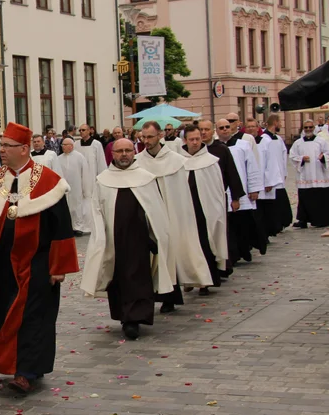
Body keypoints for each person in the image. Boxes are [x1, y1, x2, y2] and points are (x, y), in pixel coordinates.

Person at [0, 123, 79, 393]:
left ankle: (26, 371)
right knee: (1, 312)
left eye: (7, 146)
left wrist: (59, 266)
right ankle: (4, 360)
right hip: (1, 263)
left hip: (37, 261)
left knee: (33, 318)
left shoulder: (49, 181)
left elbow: (61, 226)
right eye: (1, 145)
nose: (1, 150)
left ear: (24, 149)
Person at [82, 138, 172, 340]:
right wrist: (100, 238)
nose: (124, 154)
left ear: (134, 152)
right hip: (113, 238)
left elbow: (156, 210)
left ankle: (136, 319)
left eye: (128, 150)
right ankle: (125, 317)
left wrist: (157, 236)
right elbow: (96, 210)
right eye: (120, 151)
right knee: (119, 278)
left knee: (138, 277)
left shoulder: (147, 178)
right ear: (112, 154)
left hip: (140, 239)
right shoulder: (103, 179)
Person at [135, 122, 213, 313]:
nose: (146, 141)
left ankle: (170, 297)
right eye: (143, 137)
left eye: (150, 137)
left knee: (170, 253)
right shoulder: (137, 161)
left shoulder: (175, 161)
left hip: (171, 214)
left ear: (160, 135)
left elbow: (180, 193)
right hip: (149, 215)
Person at [177, 125, 229, 293]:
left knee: (206, 244)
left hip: (205, 212)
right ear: (185, 140)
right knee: (187, 245)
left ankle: (206, 282)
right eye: (191, 139)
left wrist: (217, 209)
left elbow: (217, 190)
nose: (195, 142)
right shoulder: (178, 162)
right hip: (185, 212)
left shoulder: (211, 161)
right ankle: (190, 278)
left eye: (197, 139)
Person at [217, 119, 265, 263]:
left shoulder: (243, 145)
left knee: (242, 225)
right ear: (217, 130)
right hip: (223, 192)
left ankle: (244, 250)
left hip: (241, 190)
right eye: (221, 127)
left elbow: (252, 167)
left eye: (227, 126)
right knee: (228, 227)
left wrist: (254, 188)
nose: (225, 129)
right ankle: (232, 254)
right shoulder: (214, 148)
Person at [290, 119, 329, 229]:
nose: (308, 129)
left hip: (319, 174)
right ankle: (303, 219)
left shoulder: (321, 141)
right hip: (305, 175)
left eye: (310, 127)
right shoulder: (298, 143)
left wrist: (323, 158)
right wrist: (301, 159)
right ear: (303, 129)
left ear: (314, 128)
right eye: (306, 127)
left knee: (320, 199)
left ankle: (321, 220)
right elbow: (292, 156)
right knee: (305, 198)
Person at [250, 118, 286, 237]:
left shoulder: (265, 142)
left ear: (258, 128)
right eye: (248, 127)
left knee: (264, 210)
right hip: (250, 183)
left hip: (264, 181)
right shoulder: (242, 143)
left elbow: (271, 162)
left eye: (253, 126)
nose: (251, 129)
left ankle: (265, 234)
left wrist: (269, 181)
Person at [55, 137, 93, 236]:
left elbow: (84, 173)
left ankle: (78, 227)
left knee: (77, 206)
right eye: (62, 145)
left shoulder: (79, 157)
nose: (62, 147)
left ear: (71, 146)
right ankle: (68, 226)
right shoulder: (59, 158)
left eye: (65, 145)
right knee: (66, 206)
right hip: (65, 187)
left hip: (77, 186)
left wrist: (86, 188)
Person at [262, 114, 293, 230]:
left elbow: (284, 156)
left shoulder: (278, 139)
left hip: (280, 174)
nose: (280, 125)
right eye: (279, 122)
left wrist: (284, 172)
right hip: (271, 177)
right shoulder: (265, 139)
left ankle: (282, 222)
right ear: (275, 123)